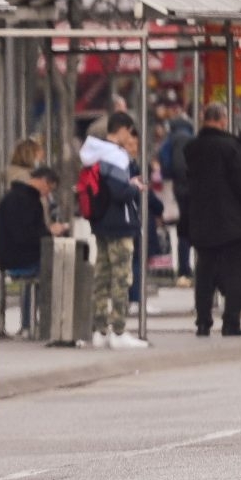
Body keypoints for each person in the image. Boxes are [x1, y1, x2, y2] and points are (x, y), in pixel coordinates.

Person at [179, 101, 241, 339]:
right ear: (223, 120)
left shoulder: (191, 149)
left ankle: (203, 322)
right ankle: (230, 323)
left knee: (204, 272)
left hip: (202, 220)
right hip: (232, 221)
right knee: (234, 273)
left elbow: (187, 184)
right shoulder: (231, 148)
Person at [82, 112, 154, 349]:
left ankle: (100, 329)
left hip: (100, 223)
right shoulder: (116, 157)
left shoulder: (93, 153)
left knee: (102, 276)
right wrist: (135, 186)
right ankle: (119, 330)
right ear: (121, 129)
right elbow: (120, 192)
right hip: (120, 224)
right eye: (129, 131)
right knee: (121, 278)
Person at [0, 157, 62, 339]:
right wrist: (49, 232)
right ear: (44, 181)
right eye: (49, 189)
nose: (47, 194)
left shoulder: (12, 196)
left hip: (8, 256)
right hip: (20, 258)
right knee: (56, 269)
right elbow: (28, 234)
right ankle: (43, 323)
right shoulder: (28, 201)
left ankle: (29, 322)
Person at [155, 98, 196, 281]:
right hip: (196, 190)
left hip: (178, 191)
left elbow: (165, 165)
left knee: (182, 232)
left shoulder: (169, 142)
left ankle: (183, 269)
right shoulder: (194, 139)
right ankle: (200, 269)